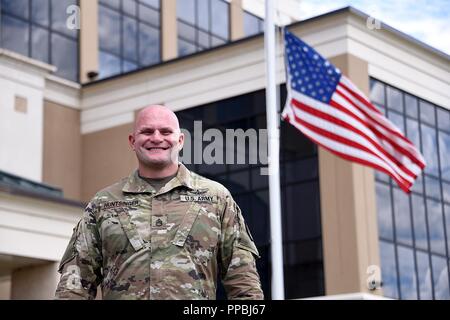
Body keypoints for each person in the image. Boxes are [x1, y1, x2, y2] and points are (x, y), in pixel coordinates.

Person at [55, 105, 264, 300]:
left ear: (180, 140)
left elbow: (243, 283)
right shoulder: (103, 203)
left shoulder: (216, 198)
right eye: (147, 132)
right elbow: (75, 285)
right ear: (132, 141)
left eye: (165, 132)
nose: (156, 138)